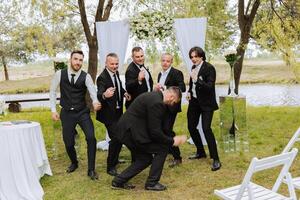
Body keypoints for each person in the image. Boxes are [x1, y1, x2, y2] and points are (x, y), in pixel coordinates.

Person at [111, 87, 187, 191]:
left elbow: (154, 127)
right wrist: (172, 141)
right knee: (162, 149)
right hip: (130, 132)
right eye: (174, 102)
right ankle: (152, 183)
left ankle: (118, 181)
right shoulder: (157, 103)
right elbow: (155, 132)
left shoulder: (155, 96)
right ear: (171, 96)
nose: (172, 104)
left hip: (129, 130)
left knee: (145, 159)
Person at [50, 50, 101, 180]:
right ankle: (74, 162)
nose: (78, 62)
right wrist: (53, 110)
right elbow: (52, 92)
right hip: (66, 113)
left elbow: (92, 91)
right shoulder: (59, 74)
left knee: (91, 138)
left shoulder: (86, 76)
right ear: (70, 60)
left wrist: (95, 102)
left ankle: (91, 169)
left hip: (82, 112)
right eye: (76, 59)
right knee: (68, 143)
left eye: (80, 60)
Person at [96, 53, 131, 176]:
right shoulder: (102, 78)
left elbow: (118, 87)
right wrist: (105, 95)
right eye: (112, 64)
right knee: (116, 138)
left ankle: (115, 160)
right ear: (106, 63)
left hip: (118, 113)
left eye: (116, 64)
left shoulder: (115, 74)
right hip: (108, 115)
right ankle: (110, 166)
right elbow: (99, 93)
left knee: (120, 136)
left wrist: (124, 93)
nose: (115, 66)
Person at [186, 46, 221, 171]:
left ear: (201, 56)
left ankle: (216, 159)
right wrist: (189, 91)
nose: (193, 59)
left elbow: (209, 87)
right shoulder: (193, 68)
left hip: (207, 103)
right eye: (191, 57)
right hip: (194, 102)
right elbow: (191, 85)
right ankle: (200, 152)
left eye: (195, 56)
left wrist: (197, 80)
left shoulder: (209, 68)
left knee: (206, 128)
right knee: (191, 126)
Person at [154, 53, 186, 168]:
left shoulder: (177, 73)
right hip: (162, 106)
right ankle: (167, 149)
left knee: (167, 130)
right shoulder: (159, 74)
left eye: (167, 61)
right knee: (162, 129)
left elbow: (182, 88)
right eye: (163, 60)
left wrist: (167, 88)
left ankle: (177, 157)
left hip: (172, 107)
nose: (165, 63)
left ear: (171, 62)